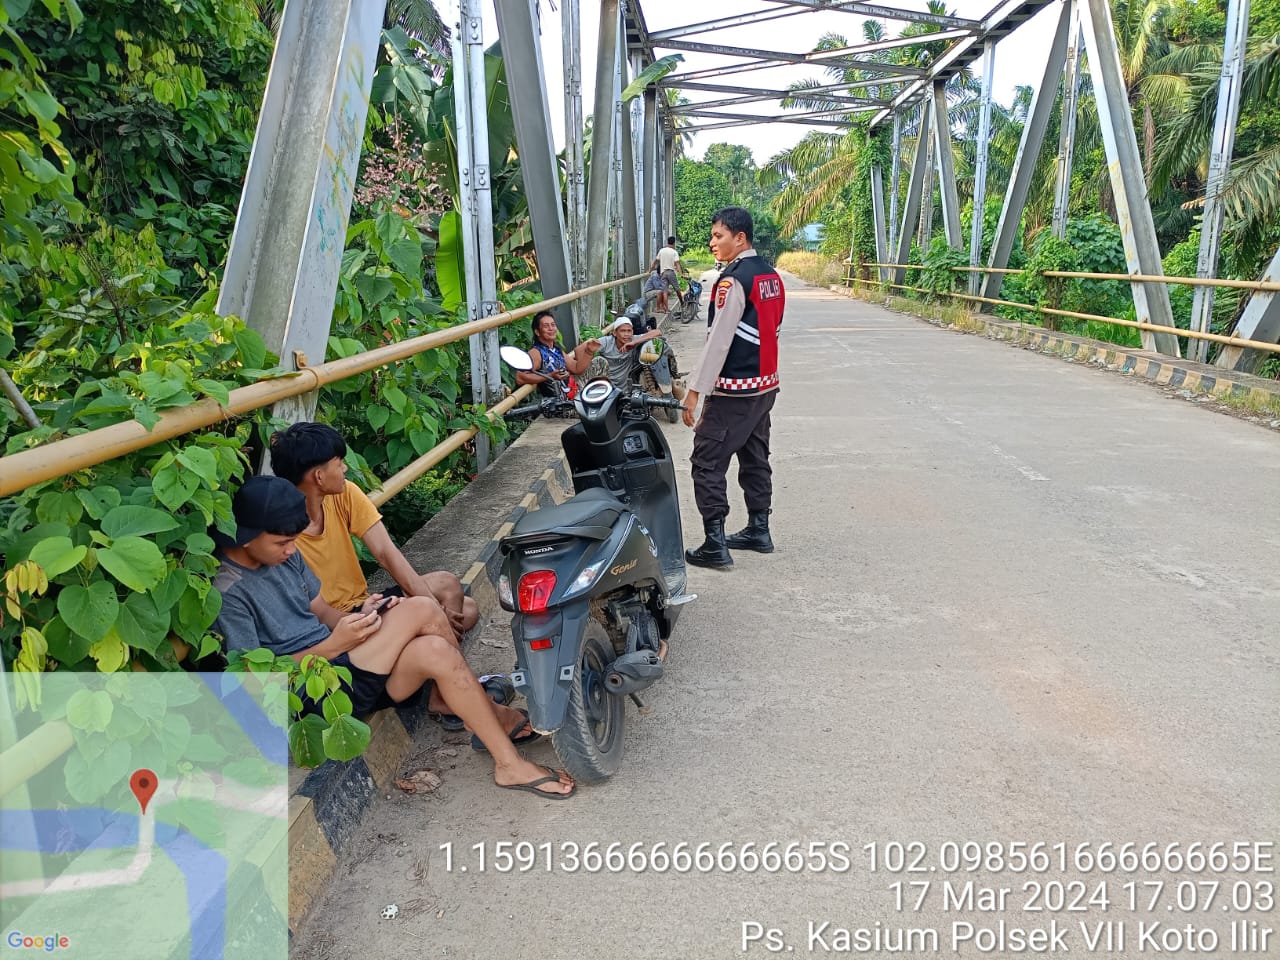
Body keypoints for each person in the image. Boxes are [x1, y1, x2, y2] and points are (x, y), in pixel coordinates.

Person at [212, 475, 575, 798]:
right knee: (421, 608)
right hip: (313, 694)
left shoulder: (284, 557)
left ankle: (508, 764)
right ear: (247, 537)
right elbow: (255, 679)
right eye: (282, 543)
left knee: (435, 650)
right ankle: (482, 709)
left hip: (343, 665)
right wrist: (336, 644)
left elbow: (323, 613)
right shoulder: (228, 591)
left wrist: (363, 619)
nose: (291, 550)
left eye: (293, 541)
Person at [267, 422, 479, 641]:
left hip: (365, 603)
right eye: (339, 463)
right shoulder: (281, 535)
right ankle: (434, 659)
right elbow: (312, 613)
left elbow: (386, 553)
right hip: (336, 622)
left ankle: (428, 646)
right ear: (319, 476)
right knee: (444, 615)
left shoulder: (344, 493)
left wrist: (435, 610)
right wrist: (431, 612)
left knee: (457, 597)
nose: (345, 469)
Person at [681, 206, 785, 569]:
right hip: (765, 386)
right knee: (755, 456)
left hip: (736, 390)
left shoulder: (734, 280)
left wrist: (696, 389)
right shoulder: (771, 276)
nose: (713, 243)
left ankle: (714, 542)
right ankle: (760, 529)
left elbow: (719, 341)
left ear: (740, 239)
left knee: (706, 460)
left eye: (718, 236)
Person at [516, 310, 601, 397]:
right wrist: (549, 376)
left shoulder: (556, 350)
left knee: (600, 363)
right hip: (559, 404)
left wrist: (589, 352)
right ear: (537, 332)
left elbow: (576, 368)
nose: (551, 328)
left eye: (553, 325)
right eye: (546, 326)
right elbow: (520, 377)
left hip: (572, 394)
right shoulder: (536, 352)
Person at [589, 316, 665, 391]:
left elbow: (657, 332)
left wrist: (634, 343)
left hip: (627, 389)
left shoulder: (633, 339)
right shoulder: (606, 342)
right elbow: (587, 348)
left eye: (629, 331)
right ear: (615, 333)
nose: (626, 334)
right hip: (606, 388)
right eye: (623, 331)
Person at [649, 236, 686, 314]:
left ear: (667, 242)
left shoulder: (662, 251)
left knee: (664, 291)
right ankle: (682, 302)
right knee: (677, 289)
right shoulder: (674, 252)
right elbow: (677, 264)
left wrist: (650, 270)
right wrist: (681, 274)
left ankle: (666, 310)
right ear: (674, 243)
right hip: (671, 272)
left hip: (663, 273)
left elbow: (655, 261)